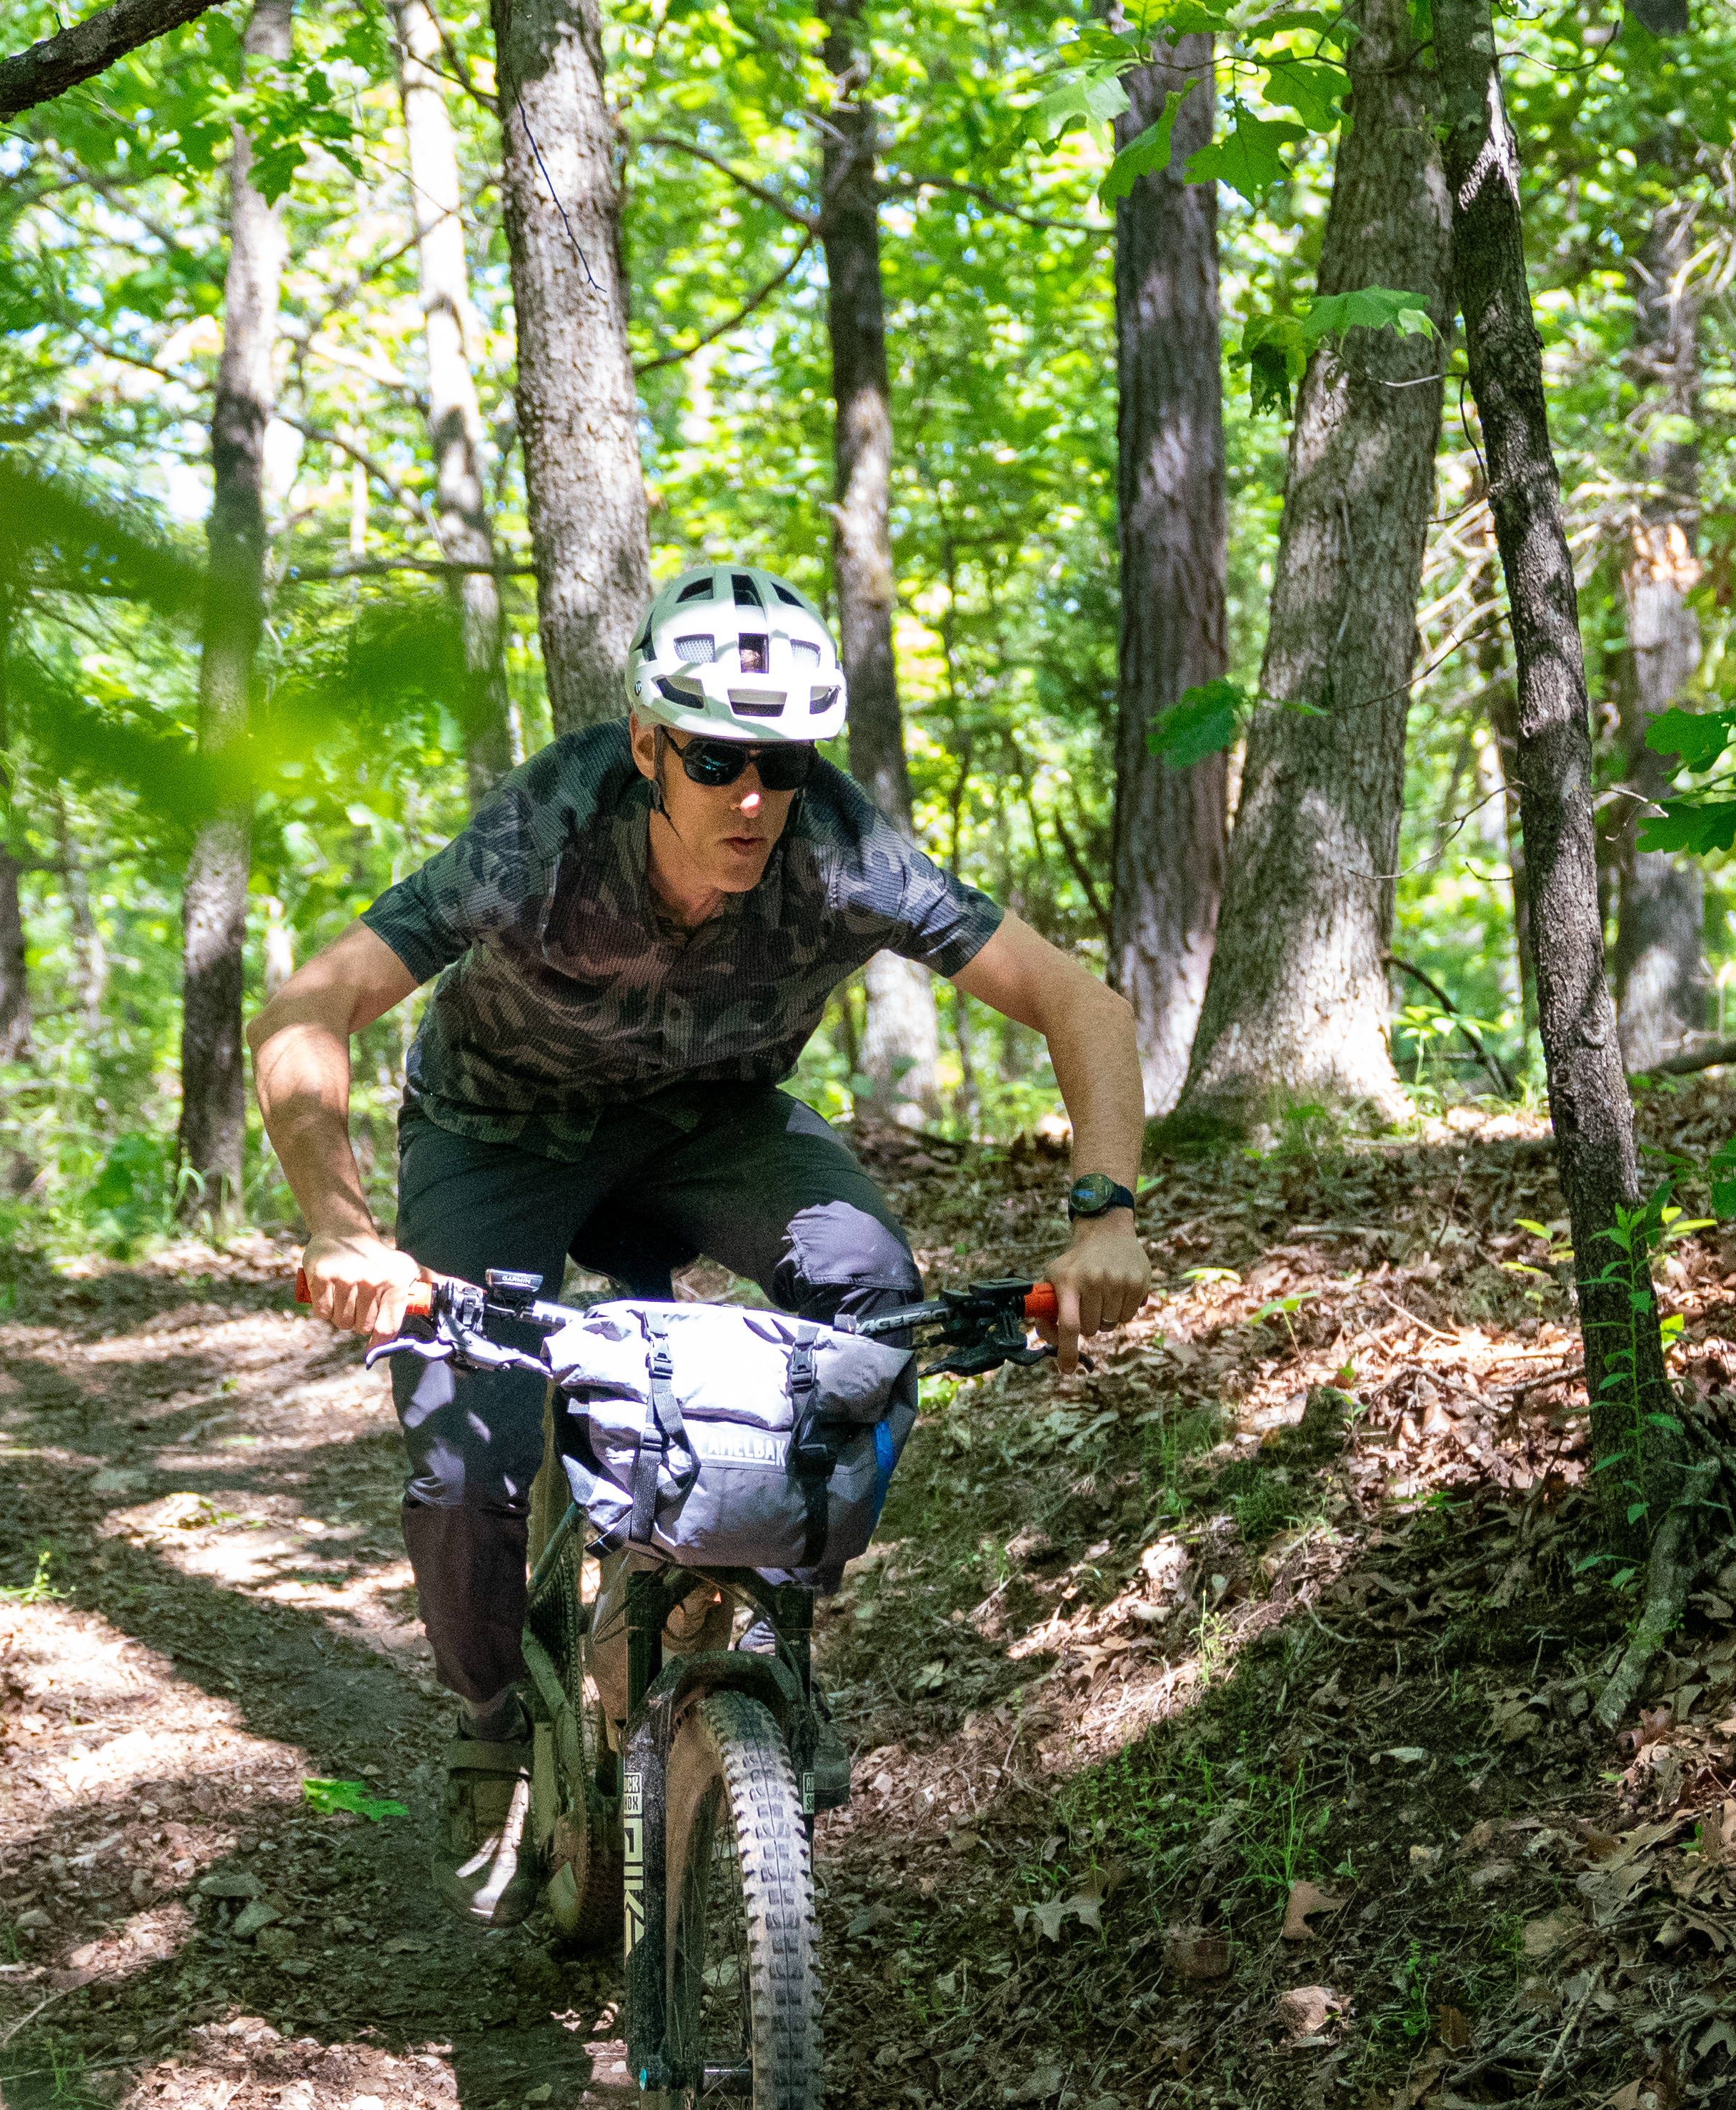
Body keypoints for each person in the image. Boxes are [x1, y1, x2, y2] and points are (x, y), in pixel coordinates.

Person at [253, 559, 1152, 1888]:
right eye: (716, 757)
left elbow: (1084, 1003)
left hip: (709, 1122)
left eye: (780, 763)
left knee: (877, 1301)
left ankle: (746, 1605)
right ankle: (493, 1714)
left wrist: (1104, 1216)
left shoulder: (841, 848)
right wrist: (340, 1224)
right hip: (499, 1131)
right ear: (644, 746)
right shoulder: (547, 833)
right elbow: (305, 1009)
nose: (751, 796)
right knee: (463, 1463)